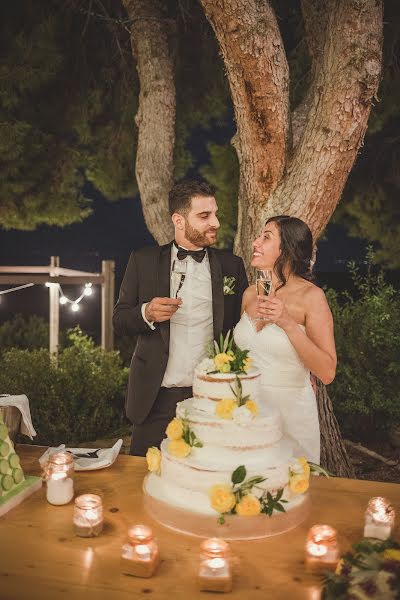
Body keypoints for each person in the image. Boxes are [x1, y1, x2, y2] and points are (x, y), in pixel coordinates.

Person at [113, 180, 248, 456]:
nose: (216, 223)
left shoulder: (231, 266)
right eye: (204, 216)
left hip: (211, 398)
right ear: (178, 220)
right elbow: (120, 320)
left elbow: (243, 325)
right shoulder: (143, 260)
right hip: (155, 397)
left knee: (204, 481)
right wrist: (146, 312)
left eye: (215, 213)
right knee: (142, 478)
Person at [234, 215, 337, 463]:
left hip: (291, 417)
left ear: (287, 249)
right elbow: (248, 353)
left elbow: (326, 371)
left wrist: (288, 324)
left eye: (266, 237)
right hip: (248, 414)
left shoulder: (311, 297)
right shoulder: (250, 293)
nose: (255, 243)